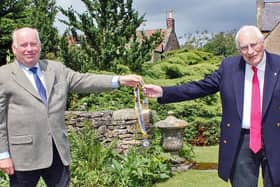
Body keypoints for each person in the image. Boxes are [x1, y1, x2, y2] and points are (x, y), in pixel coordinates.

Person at [0, 27, 142, 187]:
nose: (29, 49)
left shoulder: (56, 69)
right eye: (24, 45)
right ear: (14, 48)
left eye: (33, 44)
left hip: (58, 153)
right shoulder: (3, 76)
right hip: (23, 156)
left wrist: (119, 80)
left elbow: (85, 80)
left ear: (40, 46)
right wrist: (3, 155)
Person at [143, 25, 280, 187]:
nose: (250, 51)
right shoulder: (229, 68)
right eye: (244, 47)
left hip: (275, 138)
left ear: (262, 42)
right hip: (242, 141)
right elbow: (200, 87)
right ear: (239, 49)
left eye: (254, 45)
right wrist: (163, 91)